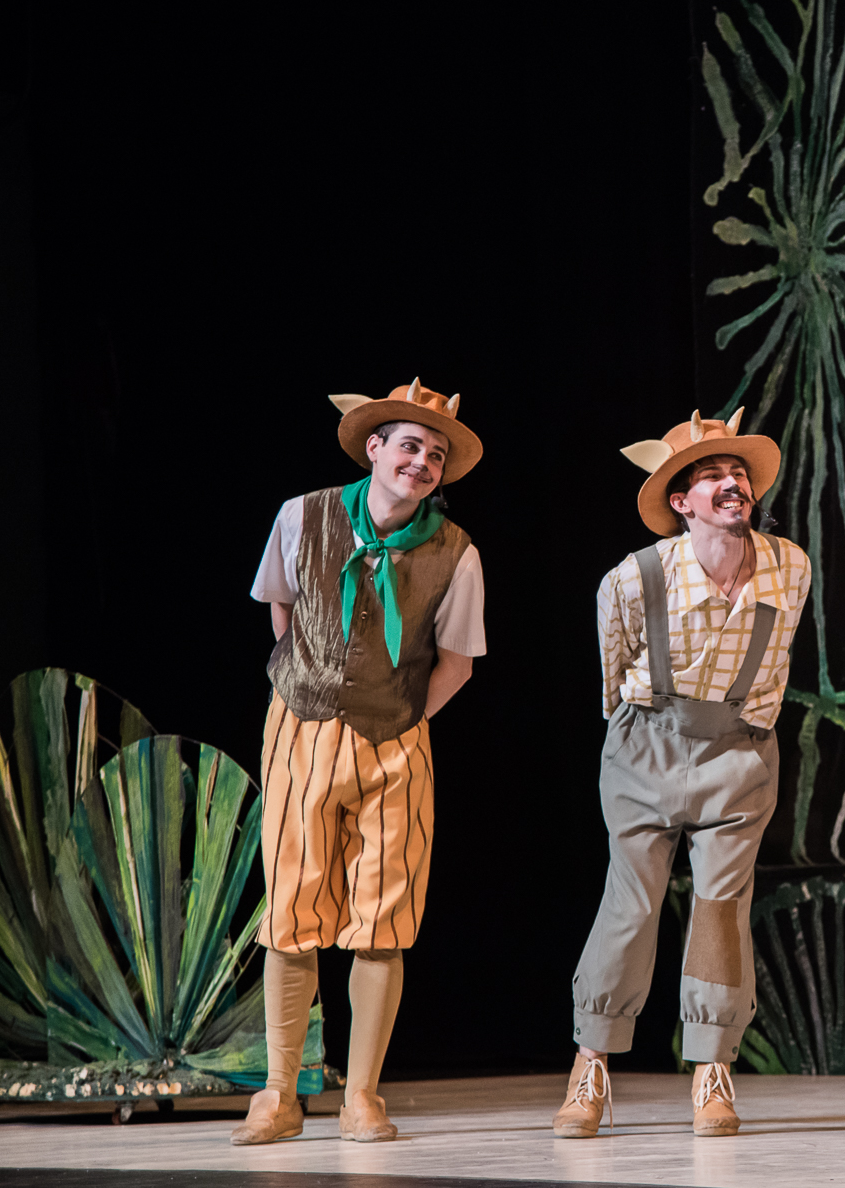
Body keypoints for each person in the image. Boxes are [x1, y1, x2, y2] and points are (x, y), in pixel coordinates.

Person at [231, 377, 486, 1146]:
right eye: (410, 446)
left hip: (396, 743)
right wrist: (312, 686)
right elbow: (280, 607)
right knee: (291, 914)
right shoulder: (301, 516)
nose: (422, 463)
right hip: (301, 731)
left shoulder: (455, 552)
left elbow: (457, 662)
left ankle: (363, 1097)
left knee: (383, 919)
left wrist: (400, 717)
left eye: (435, 455)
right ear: (374, 447)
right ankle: (279, 1095)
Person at [555, 408, 811, 1139]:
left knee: (721, 906)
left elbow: (777, 659)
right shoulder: (634, 577)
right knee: (631, 903)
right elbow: (613, 675)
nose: (733, 484)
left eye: (739, 474)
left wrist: (743, 730)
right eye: (712, 476)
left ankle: (712, 1068)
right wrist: (647, 736)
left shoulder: (790, 565)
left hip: (739, 751)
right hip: (647, 744)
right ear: (681, 502)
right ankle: (590, 1064)